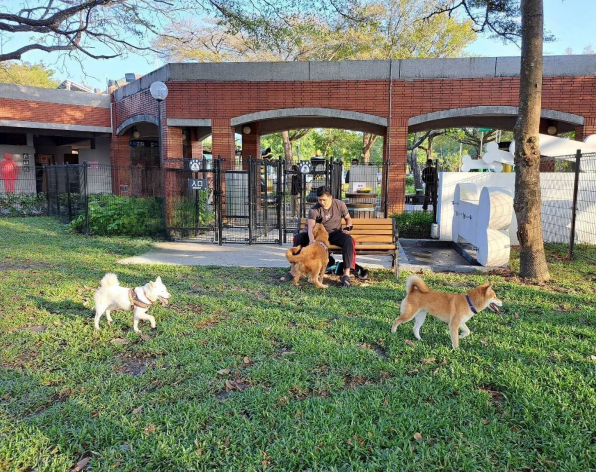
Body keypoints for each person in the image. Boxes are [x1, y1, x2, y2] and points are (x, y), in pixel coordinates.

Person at [281, 186, 355, 287]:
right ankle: (293, 271)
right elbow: (310, 228)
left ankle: (346, 274)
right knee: (299, 237)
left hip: (334, 233)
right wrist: (312, 240)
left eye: (324, 199)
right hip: (319, 236)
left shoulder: (340, 204)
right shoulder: (314, 209)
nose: (321, 202)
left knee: (348, 240)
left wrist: (348, 227)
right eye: (319, 199)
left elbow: (348, 219)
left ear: (331, 197)